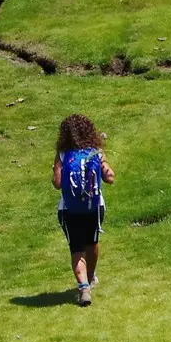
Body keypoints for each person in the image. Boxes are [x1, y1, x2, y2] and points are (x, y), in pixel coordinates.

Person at [53, 113, 114, 306]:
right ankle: (91, 276)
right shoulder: (95, 151)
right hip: (94, 208)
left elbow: (56, 183)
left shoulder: (63, 154)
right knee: (92, 243)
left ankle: (84, 287)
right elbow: (110, 177)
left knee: (76, 248)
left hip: (69, 210)